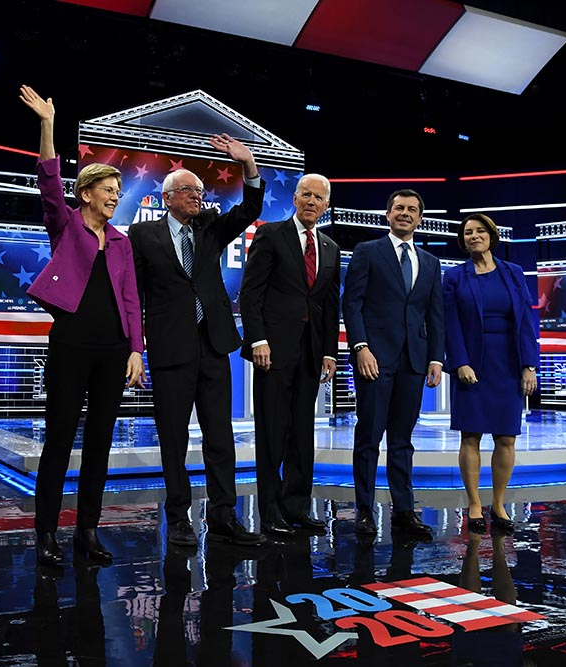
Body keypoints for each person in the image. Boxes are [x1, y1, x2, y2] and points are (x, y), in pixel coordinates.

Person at [19, 85, 145, 566]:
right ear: (86, 192)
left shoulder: (121, 242)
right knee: (60, 437)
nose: (115, 197)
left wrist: (136, 349)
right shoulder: (66, 224)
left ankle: (86, 532)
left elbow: (132, 298)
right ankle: (46, 533)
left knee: (100, 442)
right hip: (71, 344)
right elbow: (49, 181)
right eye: (108, 191)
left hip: (113, 350)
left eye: (118, 191)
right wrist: (48, 124)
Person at [128, 135, 267, 548]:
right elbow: (133, 293)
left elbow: (251, 208)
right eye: (189, 191)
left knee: (220, 436)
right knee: (174, 438)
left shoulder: (210, 226)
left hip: (213, 345)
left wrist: (249, 164)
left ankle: (224, 517)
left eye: (200, 192)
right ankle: (179, 519)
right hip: (171, 349)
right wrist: (135, 344)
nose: (198, 197)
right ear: (168, 197)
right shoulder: (141, 235)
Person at [238, 174, 339, 538]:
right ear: (295, 198)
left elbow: (328, 304)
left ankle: (296, 507)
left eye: (319, 197)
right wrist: (257, 339)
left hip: (311, 354)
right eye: (306, 195)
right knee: (272, 433)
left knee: (302, 433)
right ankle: (269, 512)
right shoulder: (270, 235)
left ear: (326, 205)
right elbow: (251, 294)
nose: (311, 201)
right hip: (273, 351)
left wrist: (330, 351)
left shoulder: (329, 246)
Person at [341, 189, 444, 538]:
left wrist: (435, 358)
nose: (405, 213)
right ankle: (365, 512)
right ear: (387, 214)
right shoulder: (368, 252)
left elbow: (435, 314)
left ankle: (404, 511)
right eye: (399, 208)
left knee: (402, 440)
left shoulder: (430, 262)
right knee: (368, 437)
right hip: (374, 358)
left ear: (419, 218)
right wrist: (360, 347)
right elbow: (351, 304)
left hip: (414, 362)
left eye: (412, 209)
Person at [442, 213, 538, 534]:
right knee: (471, 435)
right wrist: (460, 362)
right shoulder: (455, 277)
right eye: (468, 232)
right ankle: (473, 503)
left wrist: (529, 365)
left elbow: (526, 321)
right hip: (472, 364)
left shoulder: (513, 273)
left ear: (491, 236)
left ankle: (498, 504)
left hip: (508, 364)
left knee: (506, 437)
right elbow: (449, 323)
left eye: (480, 230)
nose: (473, 236)